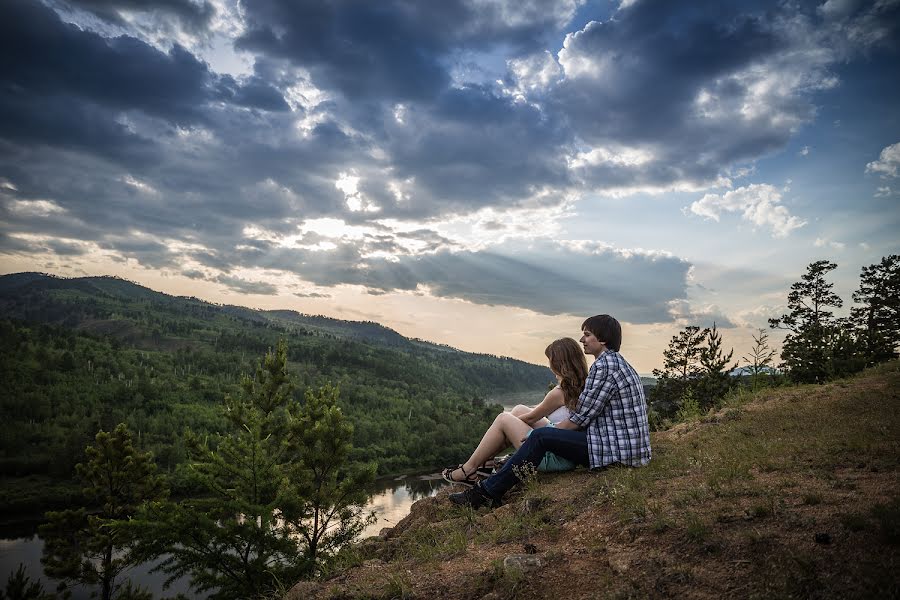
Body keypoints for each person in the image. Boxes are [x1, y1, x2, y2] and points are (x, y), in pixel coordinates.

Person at [449, 314, 651, 509]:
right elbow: (584, 415)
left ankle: (486, 492)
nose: (583, 339)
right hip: (616, 446)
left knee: (539, 437)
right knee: (538, 433)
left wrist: (540, 435)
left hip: (615, 451)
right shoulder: (612, 363)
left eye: (588, 334)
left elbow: (578, 420)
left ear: (603, 338)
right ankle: (485, 471)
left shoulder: (605, 367)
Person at [441, 338, 588, 485]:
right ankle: (485, 463)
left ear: (558, 364)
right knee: (518, 409)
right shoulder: (585, 385)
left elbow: (531, 418)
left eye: (550, 360)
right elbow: (538, 410)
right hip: (566, 449)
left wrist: (505, 429)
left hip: (556, 457)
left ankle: (469, 469)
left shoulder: (559, 393)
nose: (549, 365)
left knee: (503, 419)